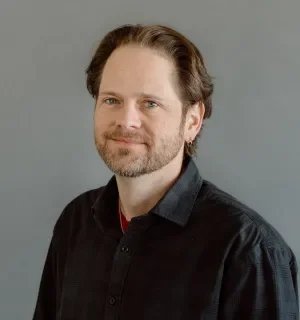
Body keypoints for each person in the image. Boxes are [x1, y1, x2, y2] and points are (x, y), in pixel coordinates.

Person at [32, 24, 299, 320]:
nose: (126, 120)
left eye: (150, 103)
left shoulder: (250, 250)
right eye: (111, 100)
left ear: (192, 121)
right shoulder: (76, 222)